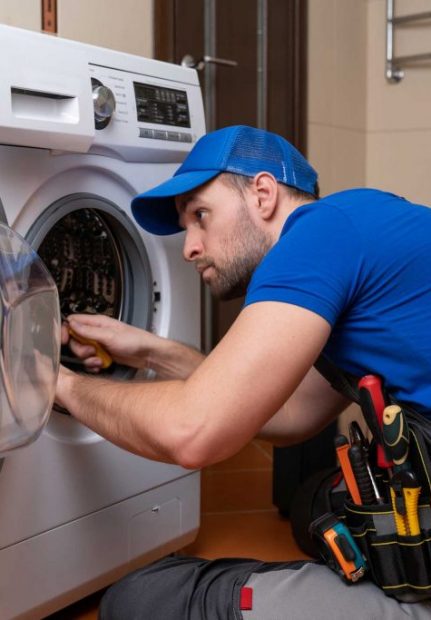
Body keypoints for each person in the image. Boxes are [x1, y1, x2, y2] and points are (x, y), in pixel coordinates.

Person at [56, 126, 431, 619]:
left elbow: (192, 434)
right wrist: (149, 351)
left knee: (139, 601)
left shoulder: (317, 235)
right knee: (314, 507)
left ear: (262, 193)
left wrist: (55, 382)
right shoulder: (360, 224)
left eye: (200, 215)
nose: (190, 247)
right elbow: (292, 411)